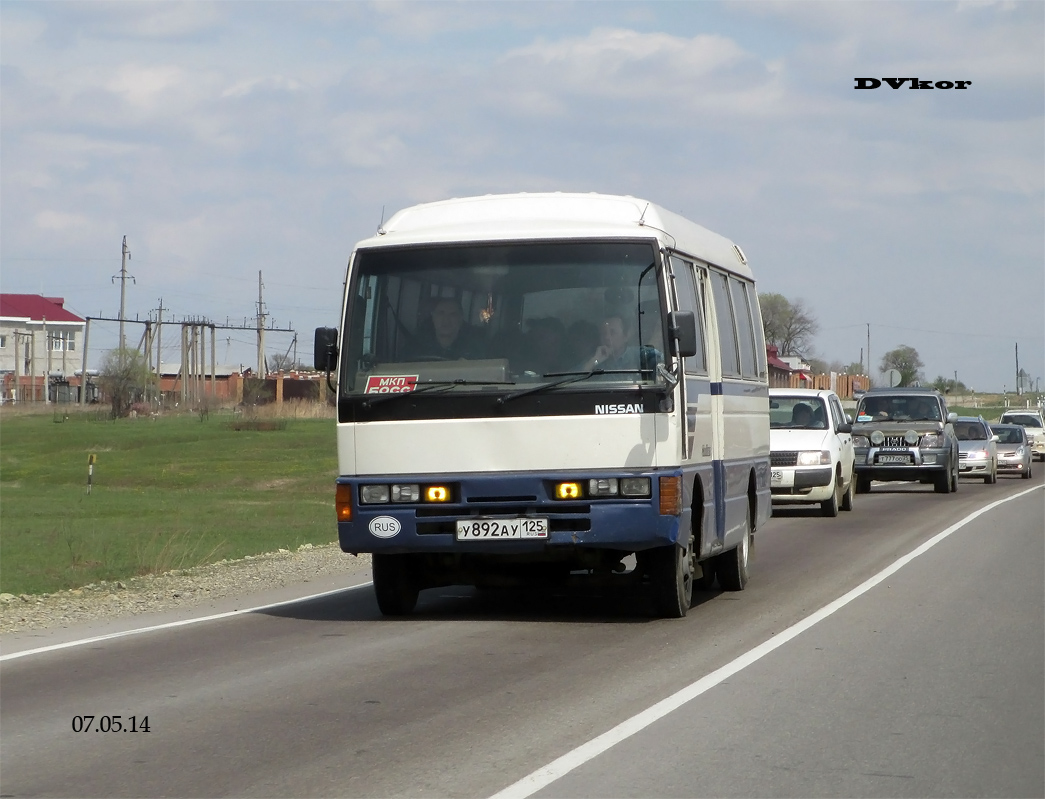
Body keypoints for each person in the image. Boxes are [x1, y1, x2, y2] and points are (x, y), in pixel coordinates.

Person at [577, 312, 660, 374]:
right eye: (603, 333)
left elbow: (665, 368)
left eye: (612, 333)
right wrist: (595, 360)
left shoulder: (642, 355)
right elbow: (569, 381)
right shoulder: (595, 360)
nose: (607, 337)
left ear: (626, 336)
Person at [406, 297, 485, 360]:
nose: (446, 320)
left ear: (460, 319)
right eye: (441, 313)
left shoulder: (475, 350)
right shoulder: (415, 347)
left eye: (452, 314)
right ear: (433, 316)